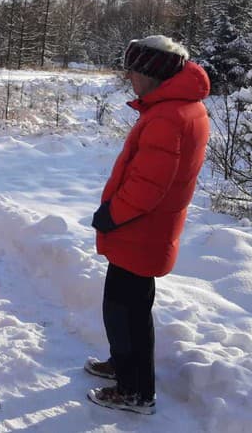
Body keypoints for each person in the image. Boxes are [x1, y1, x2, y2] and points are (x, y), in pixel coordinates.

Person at [85, 35, 210, 415]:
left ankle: (137, 392)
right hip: (144, 231)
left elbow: (148, 186)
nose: (130, 76)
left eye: (136, 69)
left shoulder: (169, 117)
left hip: (139, 230)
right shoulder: (177, 108)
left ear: (153, 73)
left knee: (129, 314)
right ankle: (122, 368)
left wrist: (111, 214)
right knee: (123, 308)